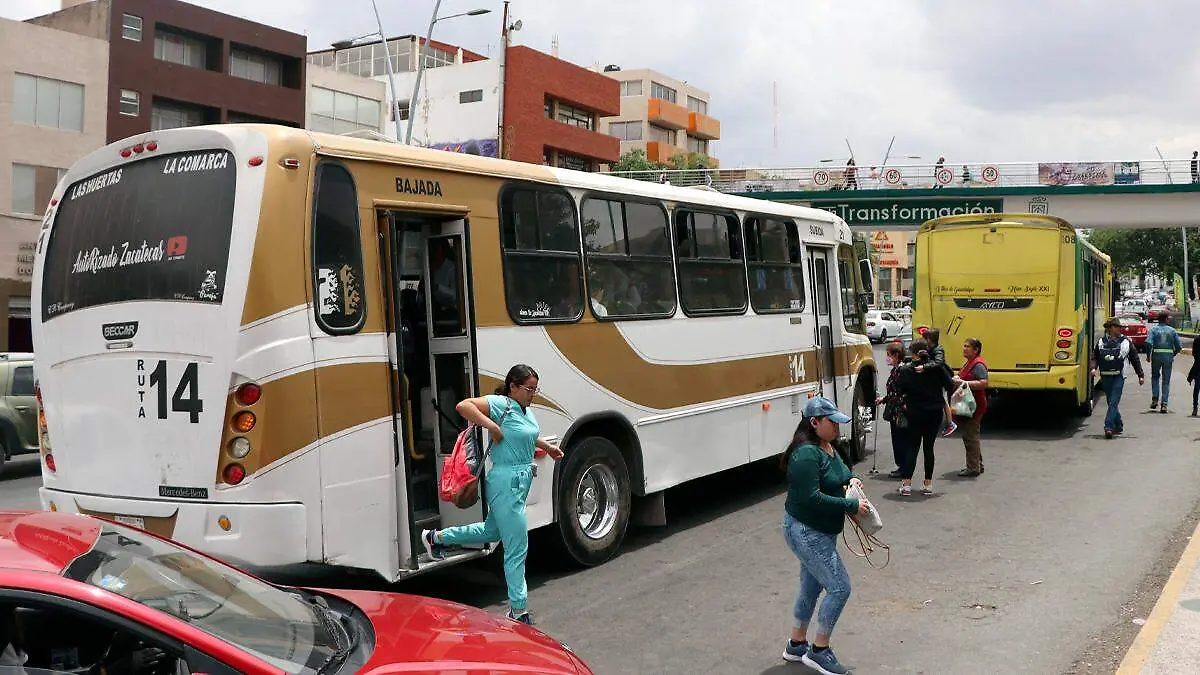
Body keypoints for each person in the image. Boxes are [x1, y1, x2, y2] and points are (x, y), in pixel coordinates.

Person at [421, 364, 564, 625]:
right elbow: (464, 406)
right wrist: (492, 427)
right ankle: (519, 610)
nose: (533, 393)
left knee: (491, 532)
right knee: (517, 547)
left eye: (535, 388)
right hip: (505, 481)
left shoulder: (524, 409)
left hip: (518, 482)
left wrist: (547, 447)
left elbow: (526, 436)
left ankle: (436, 537)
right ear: (513, 387)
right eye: (529, 389)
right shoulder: (502, 404)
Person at [780, 396, 871, 675]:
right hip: (807, 531)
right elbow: (811, 498)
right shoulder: (806, 454)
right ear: (814, 422)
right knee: (840, 587)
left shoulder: (828, 446)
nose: (837, 427)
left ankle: (797, 644)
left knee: (811, 587)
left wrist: (850, 481)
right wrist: (850, 505)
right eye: (832, 422)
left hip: (820, 530)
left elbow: (842, 472)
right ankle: (819, 650)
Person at [896, 339, 954, 495]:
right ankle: (927, 484)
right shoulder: (937, 369)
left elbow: (900, 390)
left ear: (914, 354)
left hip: (914, 412)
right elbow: (950, 386)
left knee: (912, 447)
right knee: (929, 448)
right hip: (934, 412)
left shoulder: (906, 370)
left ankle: (907, 484)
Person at [1091, 317, 1145, 437]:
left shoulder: (1126, 342)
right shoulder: (1101, 342)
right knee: (1111, 402)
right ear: (1109, 328)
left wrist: (1140, 375)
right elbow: (1095, 357)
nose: (1118, 329)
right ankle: (1119, 424)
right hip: (1105, 376)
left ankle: (1108, 427)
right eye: (1116, 327)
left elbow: (1135, 358)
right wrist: (1093, 368)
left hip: (1119, 376)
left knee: (1113, 401)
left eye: (1119, 327)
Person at [952, 338, 989, 477]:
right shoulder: (969, 362)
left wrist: (963, 382)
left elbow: (983, 383)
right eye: (964, 345)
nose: (964, 348)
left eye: (967, 346)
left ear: (976, 350)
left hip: (974, 406)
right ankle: (977, 465)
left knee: (970, 436)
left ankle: (973, 468)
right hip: (968, 405)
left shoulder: (978, 364)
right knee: (971, 435)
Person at [875, 342, 910, 478]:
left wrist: (889, 400)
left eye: (889, 355)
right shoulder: (896, 370)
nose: (887, 358)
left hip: (899, 412)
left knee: (900, 440)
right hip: (896, 409)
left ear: (896, 356)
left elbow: (900, 392)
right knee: (898, 439)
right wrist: (884, 399)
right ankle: (902, 466)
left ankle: (904, 468)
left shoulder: (901, 371)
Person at [914, 328, 957, 436]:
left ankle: (950, 423)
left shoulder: (938, 350)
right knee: (942, 399)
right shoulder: (931, 348)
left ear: (929, 339)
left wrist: (924, 367)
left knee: (943, 400)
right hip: (937, 378)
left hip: (941, 378)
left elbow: (938, 363)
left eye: (925, 338)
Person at [1148, 312, 1183, 413]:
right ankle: (1164, 404)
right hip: (1168, 357)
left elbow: (1148, 343)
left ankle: (1155, 398)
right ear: (1166, 319)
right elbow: (1179, 346)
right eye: (1168, 318)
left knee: (1155, 377)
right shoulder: (1172, 330)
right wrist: (1173, 354)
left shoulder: (1154, 330)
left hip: (1156, 357)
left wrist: (1148, 356)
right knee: (1166, 381)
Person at [1188, 336, 1200, 417]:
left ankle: (1195, 408)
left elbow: (1194, 354)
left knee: (1197, 388)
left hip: (1198, 367)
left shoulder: (1197, 340)